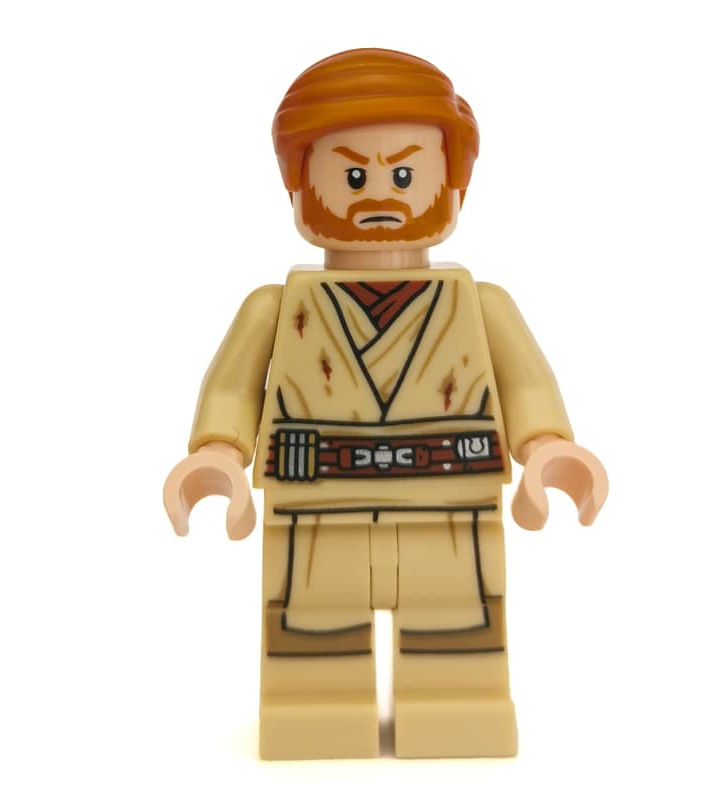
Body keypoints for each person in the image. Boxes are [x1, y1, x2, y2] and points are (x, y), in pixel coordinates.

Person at [163, 48, 608, 760]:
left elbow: (525, 384)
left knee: (456, 626)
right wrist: (217, 454)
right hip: (315, 506)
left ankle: (456, 706)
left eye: (404, 174)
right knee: (312, 628)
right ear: (298, 183)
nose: (380, 195)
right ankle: (316, 710)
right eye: (351, 174)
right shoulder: (276, 307)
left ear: (453, 182)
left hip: (449, 502)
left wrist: (548, 446)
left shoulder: (479, 304)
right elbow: (232, 388)